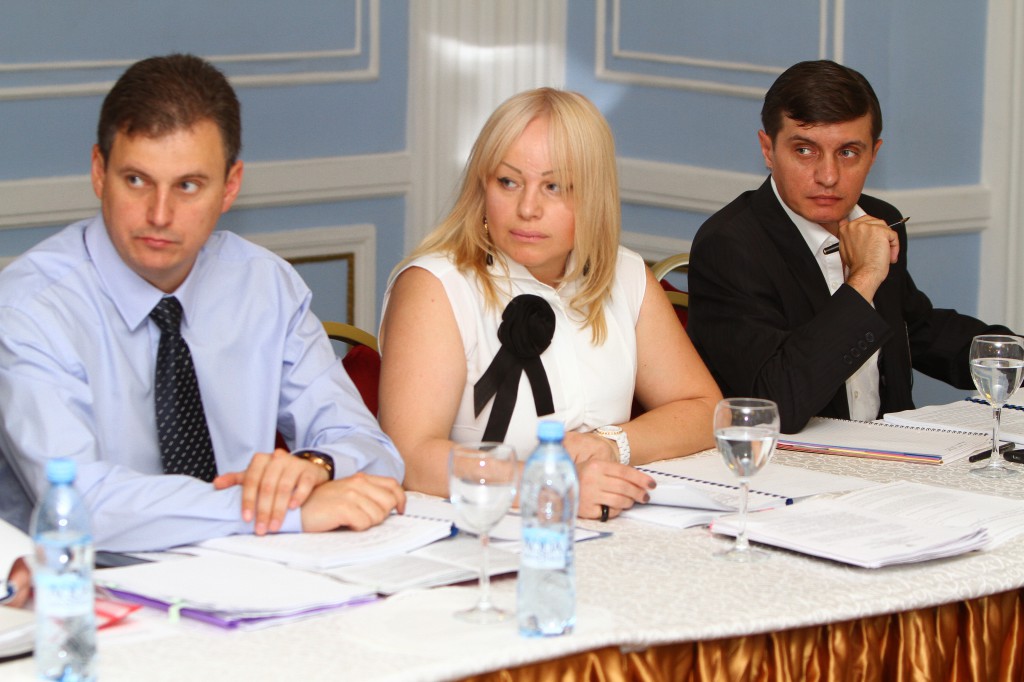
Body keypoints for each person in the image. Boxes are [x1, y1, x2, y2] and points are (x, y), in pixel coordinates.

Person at [0, 54, 405, 552]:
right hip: (84, 582)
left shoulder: (263, 285)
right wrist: (281, 510)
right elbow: (80, 506)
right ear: (99, 172)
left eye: (188, 186)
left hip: (253, 573)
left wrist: (316, 468)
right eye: (136, 180)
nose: (160, 214)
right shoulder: (30, 310)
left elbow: (374, 452)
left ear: (230, 187)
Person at [378, 88, 721, 521]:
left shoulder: (625, 275)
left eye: (554, 186)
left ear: (593, 195)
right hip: (477, 530)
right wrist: (550, 485)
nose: (527, 208)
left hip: (603, 528)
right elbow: (410, 456)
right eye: (508, 182)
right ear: (482, 186)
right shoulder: (436, 286)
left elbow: (705, 410)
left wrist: (612, 444)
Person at [688, 59, 1013, 434]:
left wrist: (1013, 356)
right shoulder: (730, 246)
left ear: (873, 155)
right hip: (787, 458)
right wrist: (865, 277)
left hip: (890, 448)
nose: (828, 177)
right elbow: (777, 403)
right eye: (805, 150)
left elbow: (917, 328)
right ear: (768, 149)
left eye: (847, 152)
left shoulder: (878, 219)